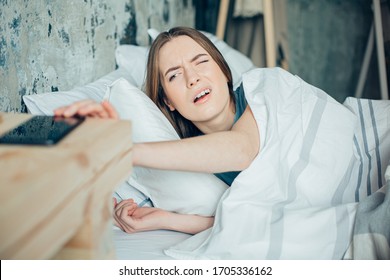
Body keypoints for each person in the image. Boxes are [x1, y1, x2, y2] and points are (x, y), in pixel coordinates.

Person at [54, 26, 260, 235]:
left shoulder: (264, 88)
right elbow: (249, 219)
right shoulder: (192, 158)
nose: (192, 78)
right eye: (174, 75)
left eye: (200, 61)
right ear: (168, 101)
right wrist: (165, 219)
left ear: (224, 70)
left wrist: (125, 150)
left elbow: (243, 150)